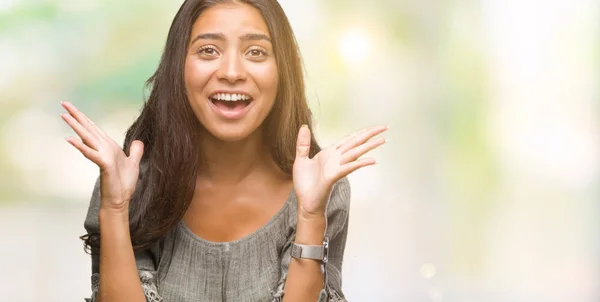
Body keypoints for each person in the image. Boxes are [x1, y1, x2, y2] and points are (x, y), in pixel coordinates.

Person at [60, 0, 387, 301]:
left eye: (256, 52)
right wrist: (115, 210)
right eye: (208, 50)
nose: (232, 73)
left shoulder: (321, 191)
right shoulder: (131, 185)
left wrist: (311, 216)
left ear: (285, 69)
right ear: (179, 66)